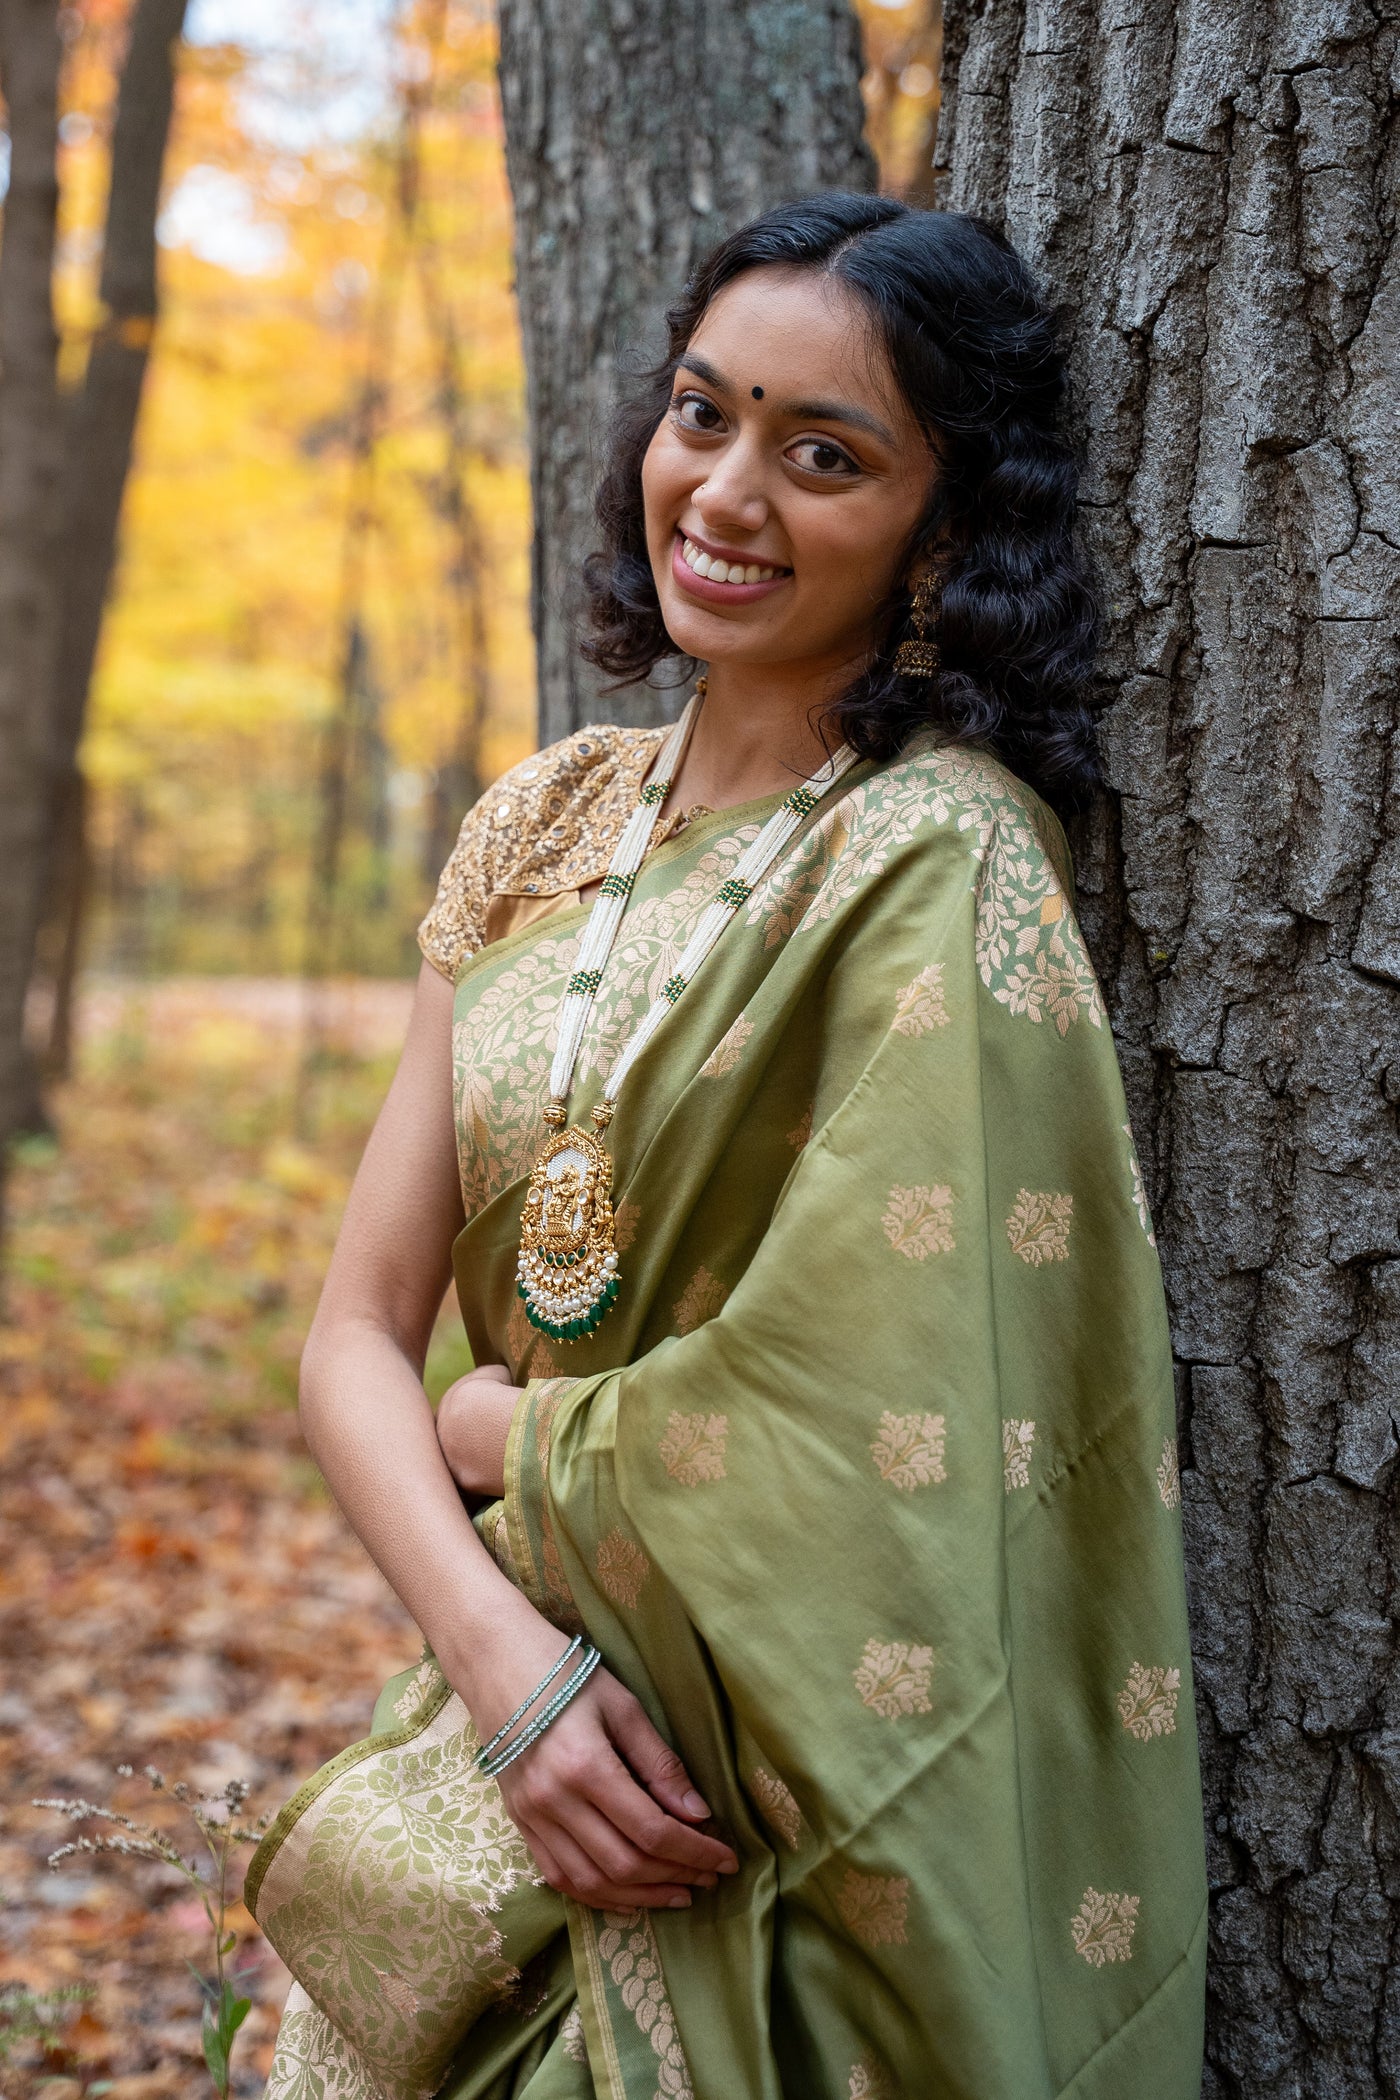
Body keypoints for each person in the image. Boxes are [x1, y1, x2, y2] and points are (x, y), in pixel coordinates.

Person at [259, 193, 1207, 2099]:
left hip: (769, 1806)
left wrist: (506, 1432)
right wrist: (507, 1681)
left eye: (826, 454)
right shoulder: (540, 820)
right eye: (705, 415)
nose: (727, 492)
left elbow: (898, 1416)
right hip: (513, 1734)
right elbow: (350, 1334)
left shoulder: (936, 859)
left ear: (946, 528)